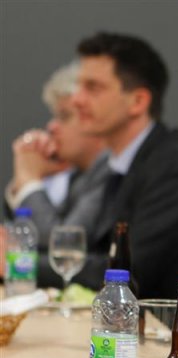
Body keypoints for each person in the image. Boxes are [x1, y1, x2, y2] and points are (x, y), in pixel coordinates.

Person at [72, 32, 178, 340]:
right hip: (145, 332)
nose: (76, 99)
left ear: (138, 101)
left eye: (92, 87)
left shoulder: (174, 167)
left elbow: (126, 273)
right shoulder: (130, 161)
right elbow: (98, 253)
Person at [3, 62, 109, 288]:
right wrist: (28, 180)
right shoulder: (78, 175)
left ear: (93, 117)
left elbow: (64, 247)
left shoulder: (111, 170)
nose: (51, 126)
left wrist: (29, 180)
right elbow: (31, 240)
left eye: (64, 116)